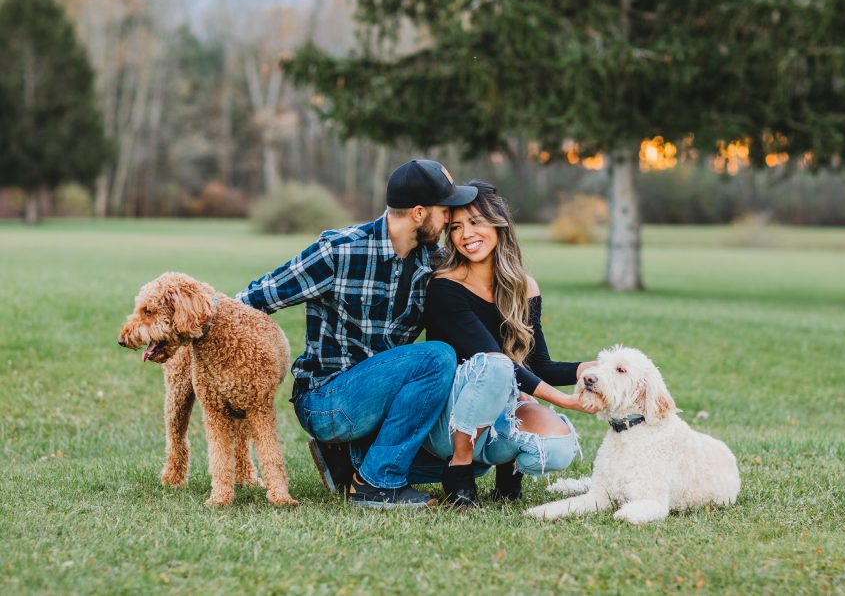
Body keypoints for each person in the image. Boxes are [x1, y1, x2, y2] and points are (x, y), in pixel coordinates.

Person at [235, 160, 477, 508]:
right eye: (445, 211)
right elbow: (255, 298)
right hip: (326, 400)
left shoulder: (433, 262)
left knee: (477, 463)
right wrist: (191, 325)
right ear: (420, 213)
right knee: (437, 357)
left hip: (378, 402)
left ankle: (349, 462)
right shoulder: (339, 250)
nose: (449, 220)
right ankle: (378, 484)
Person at [416, 181, 599, 506]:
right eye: (456, 227)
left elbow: (537, 365)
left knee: (557, 449)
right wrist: (563, 400)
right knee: (496, 365)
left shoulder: (523, 286)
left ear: (498, 223)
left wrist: (584, 370)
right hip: (448, 421)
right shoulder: (444, 287)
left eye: (475, 222)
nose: (466, 234)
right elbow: (496, 360)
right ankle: (459, 472)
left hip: (496, 420)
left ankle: (508, 467)